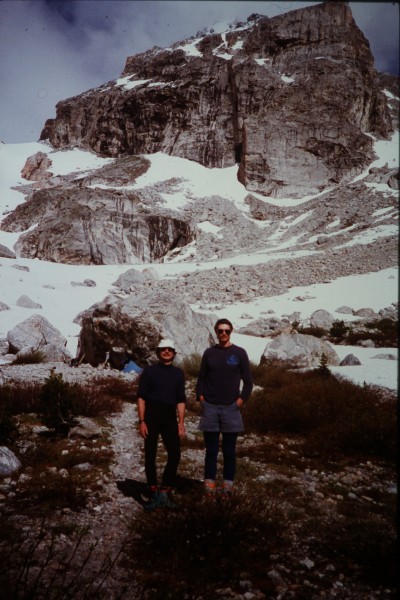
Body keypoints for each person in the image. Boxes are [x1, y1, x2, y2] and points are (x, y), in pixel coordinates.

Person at [196, 318, 253, 497]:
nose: (223, 334)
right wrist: (201, 398)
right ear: (216, 331)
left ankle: (227, 489)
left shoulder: (239, 353)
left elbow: (249, 382)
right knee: (211, 451)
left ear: (231, 331)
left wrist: (239, 402)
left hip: (231, 408)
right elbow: (201, 378)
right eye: (220, 331)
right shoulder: (209, 353)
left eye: (226, 331)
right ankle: (209, 487)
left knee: (229, 451)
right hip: (210, 407)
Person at [137, 338, 186, 510]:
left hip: (169, 417)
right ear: (158, 353)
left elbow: (180, 400)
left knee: (175, 453)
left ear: (174, 353)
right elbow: (141, 398)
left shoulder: (178, 374)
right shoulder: (149, 372)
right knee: (150, 453)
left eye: (170, 349)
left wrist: (181, 423)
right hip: (151, 416)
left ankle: (165, 490)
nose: (166, 352)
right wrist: (142, 421)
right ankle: (153, 492)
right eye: (163, 349)